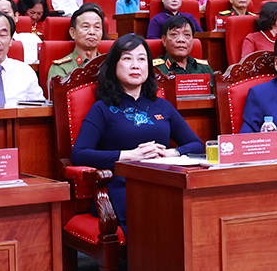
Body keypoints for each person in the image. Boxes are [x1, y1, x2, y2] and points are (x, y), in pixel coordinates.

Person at [70, 34, 204, 226]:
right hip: (122, 188)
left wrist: (171, 153)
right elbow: (79, 154)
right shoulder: (102, 108)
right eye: (127, 58)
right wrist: (129, 156)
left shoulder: (163, 106)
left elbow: (197, 145)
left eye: (141, 59)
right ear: (114, 65)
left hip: (165, 184)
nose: (135, 65)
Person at [47, 4, 107, 85]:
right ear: (73, 33)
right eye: (86, 26)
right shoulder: (61, 68)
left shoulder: (110, 65)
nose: (92, 32)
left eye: (97, 27)